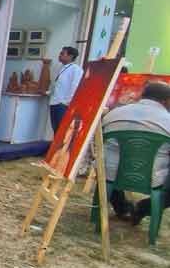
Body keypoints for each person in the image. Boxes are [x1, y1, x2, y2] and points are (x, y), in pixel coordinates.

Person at [101, 81, 170, 224]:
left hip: (110, 173)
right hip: (152, 177)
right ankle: (143, 208)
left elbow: (100, 142)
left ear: (142, 95)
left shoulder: (114, 113)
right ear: (166, 101)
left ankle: (122, 208)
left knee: (107, 159)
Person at [44, 46, 84, 133]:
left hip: (63, 105)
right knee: (56, 129)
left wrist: (67, 103)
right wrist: (47, 93)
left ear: (70, 56)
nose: (59, 55)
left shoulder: (76, 69)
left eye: (62, 54)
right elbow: (58, 86)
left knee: (62, 130)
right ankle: (55, 146)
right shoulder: (62, 68)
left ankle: (60, 147)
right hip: (54, 103)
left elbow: (75, 87)